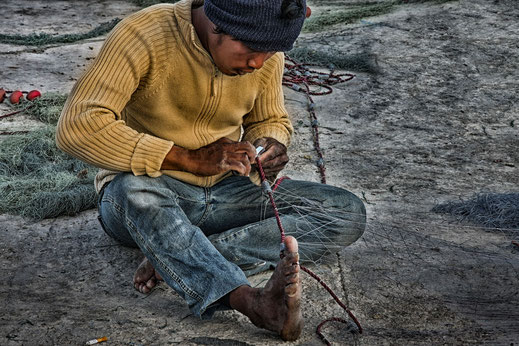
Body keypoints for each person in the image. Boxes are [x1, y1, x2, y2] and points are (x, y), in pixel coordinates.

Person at [56, 0, 366, 341]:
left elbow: (270, 119)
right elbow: (77, 127)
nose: (257, 62)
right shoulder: (142, 35)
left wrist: (270, 142)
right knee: (132, 190)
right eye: (249, 49)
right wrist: (186, 158)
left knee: (345, 212)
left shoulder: (264, 52)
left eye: (270, 52)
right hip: (151, 195)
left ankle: (181, 256)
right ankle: (250, 301)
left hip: (228, 191)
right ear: (216, 22)